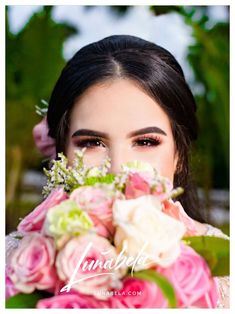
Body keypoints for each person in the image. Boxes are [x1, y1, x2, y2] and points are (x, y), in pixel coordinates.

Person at [7, 35, 229, 307]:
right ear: (61, 153)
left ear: (179, 155)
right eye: (91, 143)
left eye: (146, 142)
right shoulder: (16, 264)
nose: (118, 169)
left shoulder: (224, 270)